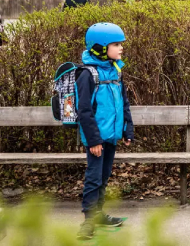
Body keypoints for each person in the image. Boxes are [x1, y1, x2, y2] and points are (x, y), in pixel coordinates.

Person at [76, 23, 134, 240]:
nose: (121, 48)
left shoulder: (116, 69)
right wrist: (93, 140)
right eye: (116, 44)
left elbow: (123, 103)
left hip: (111, 136)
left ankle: (98, 214)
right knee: (93, 177)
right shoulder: (87, 74)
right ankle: (88, 221)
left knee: (104, 175)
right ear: (100, 47)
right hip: (96, 139)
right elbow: (84, 111)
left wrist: (128, 129)